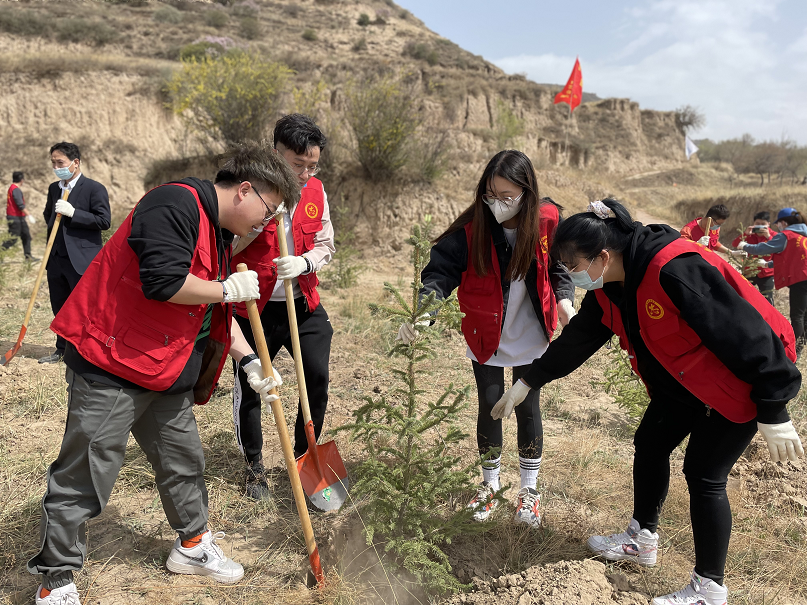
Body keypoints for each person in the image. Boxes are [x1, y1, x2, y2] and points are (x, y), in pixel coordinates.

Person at [27, 141, 300, 605]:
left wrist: (249, 359)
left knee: (183, 461)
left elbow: (211, 310)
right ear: (245, 190)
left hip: (164, 366)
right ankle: (55, 578)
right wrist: (225, 288)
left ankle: (192, 545)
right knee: (86, 470)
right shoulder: (174, 203)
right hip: (112, 363)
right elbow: (165, 282)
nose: (267, 222)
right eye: (268, 209)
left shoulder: (218, 231)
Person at [492, 198, 803, 604]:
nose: (571, 275)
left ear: (603, 256)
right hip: (686, 382)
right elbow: (580, 338)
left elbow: (741, 331)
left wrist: (774, 406)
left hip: (740, 378)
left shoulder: (672, 269)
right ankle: (641, 539)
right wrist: (528, 381)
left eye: (573, 265)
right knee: (651, 443)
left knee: (704, 474)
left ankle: (709, 588)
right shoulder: (611, 285)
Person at [401, 149, 576, 527]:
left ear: (528, 193)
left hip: (531, 328)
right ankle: (490, 486)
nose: (497, 204)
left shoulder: (547, 220)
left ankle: (529, 491)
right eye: (491, 195)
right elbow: (439, 273)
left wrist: (565, 301)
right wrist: (425, 313)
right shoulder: (472, 229)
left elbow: (559, 265)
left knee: (527, 406)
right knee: (491, 403)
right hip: (486, 330)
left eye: (507, 197)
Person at [230, 114, 335, 500]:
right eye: (298, 164)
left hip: (302, 303)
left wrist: (305, 263)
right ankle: (254, 466)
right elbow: (224, 247)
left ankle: (307, 461)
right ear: (276, 154)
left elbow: (325, 244)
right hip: (254, 310)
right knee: (254, 385)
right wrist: (258, 224)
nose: (306, 173)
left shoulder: (316, 191)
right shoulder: (247, 191)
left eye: (313, 166)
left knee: (317, 379)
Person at [39, 142, 111, 364]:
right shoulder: (54, 188)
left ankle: (83, 351)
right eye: (53, 163)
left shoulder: (94, 189)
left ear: (75, 163)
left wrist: (74, 213)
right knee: (59, 305)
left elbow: (104, 221)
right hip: (56, 258)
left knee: (83, 307)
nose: (56, 167)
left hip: (81, 259)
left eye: (60, 163)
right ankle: (62, 349)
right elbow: (48, 215)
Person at [738, 207, 807, 355]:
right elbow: (793, 258)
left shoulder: (786, 236)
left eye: (778, 223)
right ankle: (801, 345)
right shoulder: (803, 235)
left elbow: (763, 249)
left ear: (784, 223)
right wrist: (768, 265)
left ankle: (795, 351)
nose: (778, 226)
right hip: (804, 276)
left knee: (797, 316)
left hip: (801, 280)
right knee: (804, 314)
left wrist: (745, 246)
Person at [732, 210, 774, 304]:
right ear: (753, 223)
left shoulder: (774, 236)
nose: (760, 226)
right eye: (757, 224)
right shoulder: (750, 235)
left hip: (766, 273)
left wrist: (768, 237)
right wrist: (745, 234)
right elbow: (735, 244)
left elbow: (777, 250)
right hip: (749, 270)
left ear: (769, 224)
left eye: (763, 224)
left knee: (767, 299)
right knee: (742, 295)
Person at [680, 204, 745, 259]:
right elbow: (680, 250)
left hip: (708, 260)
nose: (719, 226)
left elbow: (714, 244)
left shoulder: (715, 228)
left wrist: (731, 252)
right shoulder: (688, 230)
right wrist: (696, 244)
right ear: (710, 219)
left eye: (721, 224)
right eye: (718, 224)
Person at [3, 171, 37, 260]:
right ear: (22, 180)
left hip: (19, 217)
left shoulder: (12, 188)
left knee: (26, 236)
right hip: (15, 218)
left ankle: (28, 256)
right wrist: (29, 215)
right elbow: (20, 205)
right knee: (13, 239)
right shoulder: (16, 190)